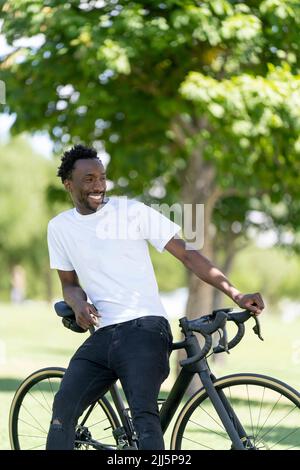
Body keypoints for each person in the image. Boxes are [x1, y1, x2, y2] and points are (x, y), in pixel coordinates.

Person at [46, 144, 264, 450]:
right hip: (102, 335)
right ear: (69, 184)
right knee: (62, 412)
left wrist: (236, 293)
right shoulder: (59, 228)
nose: (98, 185)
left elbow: (189, 256)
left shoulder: (131, 212)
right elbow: (68, 283)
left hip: (145, 328)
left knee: (145, 418)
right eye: (88, 179)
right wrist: (77, 302)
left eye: (102, 177)